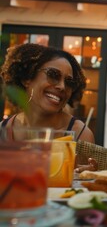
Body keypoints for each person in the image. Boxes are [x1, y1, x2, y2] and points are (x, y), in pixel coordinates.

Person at [0, 43, 97, 171]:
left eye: (69, 82)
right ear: (27, 78)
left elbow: (81, 187)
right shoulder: (3, 131)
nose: (62, 87)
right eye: (53, 75)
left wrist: (86, 178)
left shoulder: (80, 135)